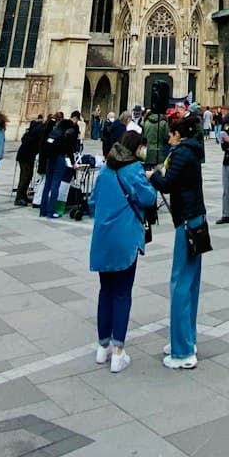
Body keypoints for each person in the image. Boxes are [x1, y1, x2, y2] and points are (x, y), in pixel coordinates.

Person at [89, 129, 158, 374]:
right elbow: (148, 198)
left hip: (103, 238)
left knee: (105, 290)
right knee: (122, 293)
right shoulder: (133, 169)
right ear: (136, 148)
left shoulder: (105, 170)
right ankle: (118, 351)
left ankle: (102, 346)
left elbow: (92, 202)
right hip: (125, 238)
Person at [150, 111, 208, 369]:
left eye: (170, 136)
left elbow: (167, 184)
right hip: (197, 219)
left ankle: (183, 352)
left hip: (186, 222)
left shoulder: (181, 153)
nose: (168, 140)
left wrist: (153, 176)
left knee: (180, 284)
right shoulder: (193, 151)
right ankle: (186, 339)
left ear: (176, 135)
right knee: (191, 282)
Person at [41, 111, 79, 219]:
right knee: (55, 185)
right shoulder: (66, 134)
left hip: (50, 159)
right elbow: (69, 149)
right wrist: (73, 162)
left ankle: (43, 210)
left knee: (47, 184)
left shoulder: (55, 132)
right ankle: (51, 211)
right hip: (59, 159)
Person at [15, 115, 45, 205]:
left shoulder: (33, 131)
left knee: (29, 176)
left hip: (28, 156)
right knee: (25, 176)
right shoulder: (38, 132)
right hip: (25, 156)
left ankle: (23, 195)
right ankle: (19, 197)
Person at [141, 103, 170, 170]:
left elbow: (143, 137)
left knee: (147, 173)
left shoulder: (146, 122)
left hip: (148, 153)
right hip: (160, 153)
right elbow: (166, 137)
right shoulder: (164, 123)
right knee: (159, 173)